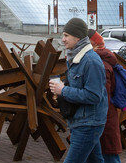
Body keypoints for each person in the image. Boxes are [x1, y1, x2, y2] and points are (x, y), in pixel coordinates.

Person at [48, 18, 107, 163]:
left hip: (88, 124)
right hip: (81, 121)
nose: (63, 39)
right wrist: (62, 88)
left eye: (66, 35)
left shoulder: (91, 61)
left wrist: (63, 90)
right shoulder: (76, 57)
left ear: (78, 37)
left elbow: (94, 96)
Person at [89, 30, 122, 163]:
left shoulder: (99, 64)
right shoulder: (104, 59)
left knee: (108, 155)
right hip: (105, 116)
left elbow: (101, 97)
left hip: (103, 117)